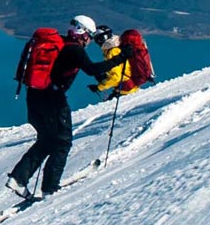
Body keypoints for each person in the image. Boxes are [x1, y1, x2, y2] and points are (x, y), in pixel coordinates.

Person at [7, 15, 129, 199]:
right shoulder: (74, 50)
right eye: (89, 35)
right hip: (53, 100)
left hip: (34, 96)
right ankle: (49, 188)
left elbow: (74, 68)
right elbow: (92, 69)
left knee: (47, 140)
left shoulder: (61, 43)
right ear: (83, 34)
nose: (89, 40)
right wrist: (122, 57)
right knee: (63, 142)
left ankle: (18, 179)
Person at [88, 25, 138, 99]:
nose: (98, 42)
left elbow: (116, 77)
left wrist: (99, 87)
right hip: (130, 86)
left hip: (125, 89)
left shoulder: (112, 51)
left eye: (98, 39)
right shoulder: (118, 45)